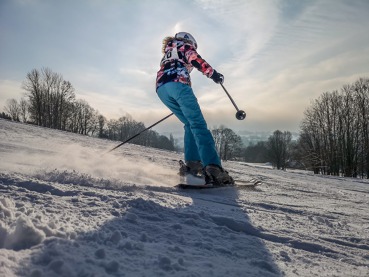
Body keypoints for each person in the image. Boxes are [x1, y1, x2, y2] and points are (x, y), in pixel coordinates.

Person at [156, 32, 234, 186]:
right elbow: (194, 59)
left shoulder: (168, 51)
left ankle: (192, 165)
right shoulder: (184, 45)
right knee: (198, 124)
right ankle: (214, 169)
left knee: (189, 124)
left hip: (162, 89)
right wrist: (213, 74)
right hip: (178, 85)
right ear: (190, 42)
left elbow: (171, 70)